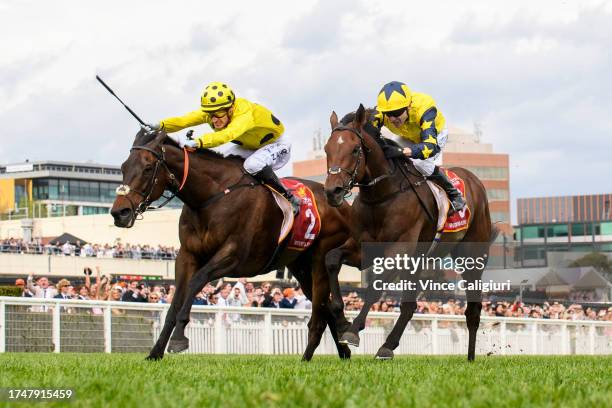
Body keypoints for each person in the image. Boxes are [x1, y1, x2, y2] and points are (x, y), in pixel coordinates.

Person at [148, 81, 301, 214]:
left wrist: (198, 142)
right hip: (251, 146)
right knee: (220, 162)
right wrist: (160, 125)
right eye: (211, 115)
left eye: (219, 114)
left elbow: (227, 135)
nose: (214, 119)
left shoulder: (244, 113)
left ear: (231, 109)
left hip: (277, 144)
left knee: (252, 165)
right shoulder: (213, 111)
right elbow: (184, 120)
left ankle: (289, 198)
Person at [374, 81, 466, 212]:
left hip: (434, 136)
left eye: (397, 112)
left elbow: (430, 146)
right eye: (389, 114)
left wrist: (405, 151)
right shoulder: (381, 112)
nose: (393, 118)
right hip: (407, 135)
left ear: (409, 106)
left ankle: (454, 194)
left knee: (420, 164)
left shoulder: (425, 108)